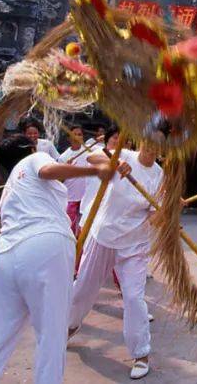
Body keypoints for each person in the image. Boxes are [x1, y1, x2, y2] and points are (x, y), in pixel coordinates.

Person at [0, 129, 121, 384]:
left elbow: (60, 170)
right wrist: (95, 172)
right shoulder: (33, 161)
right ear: (31, 149)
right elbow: (49, 171)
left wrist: (101, 163)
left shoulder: (12, 184)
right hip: (44, 248)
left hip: (7, 257)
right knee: (51, 335)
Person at [70, 131, 163, 380]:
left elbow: (154, 217)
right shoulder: (124, 154)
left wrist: (168, 210)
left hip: (134, 243)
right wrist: (113, 163)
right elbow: (92, 158)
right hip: (104, 235)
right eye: (149, 142)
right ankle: (69, 326)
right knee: (84, 289)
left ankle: (141, 354)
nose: (152, 148)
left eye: (158, 145)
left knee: (134, 298)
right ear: (141, 141)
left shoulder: (159, 175)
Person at [56, 125, 93, 234]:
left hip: (86, 196)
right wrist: (65, 168)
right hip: (70, 197)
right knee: (69, 227)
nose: (77, 137)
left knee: (85, 228)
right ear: (69, 138)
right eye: (74, 135)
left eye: (79, 134)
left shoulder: (90, 151)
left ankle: (82, 250)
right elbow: (59, 180)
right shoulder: (63, 157)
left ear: (83, 137)